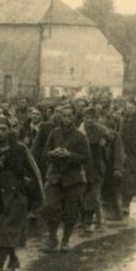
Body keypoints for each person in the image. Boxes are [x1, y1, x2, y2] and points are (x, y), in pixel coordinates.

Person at [0, 116, 43, 271]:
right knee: (1, 233)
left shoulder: (20, 149)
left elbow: (34, 173)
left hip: (16, 197)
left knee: (5, 230)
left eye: (4, 129)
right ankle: (13, 259)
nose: (0, 132)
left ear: (9, 130)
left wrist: (37, 197)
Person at [40, 105, 91, 253]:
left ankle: (65, 240)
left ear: (74, 117)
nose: (66, 119)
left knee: (71, 212)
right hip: (55, 177)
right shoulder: (54, 133)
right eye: (64, 116)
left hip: (73, 179)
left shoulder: (80, 136)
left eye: (69, 116)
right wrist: (53, 153)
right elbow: (45, 153)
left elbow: (86, 158)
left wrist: (69, 155)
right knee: (49, 207)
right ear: (60, 117)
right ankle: (52, 238)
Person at [81, 108, 111, 233]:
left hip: (97, 167)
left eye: (92, 118)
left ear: (95, 119)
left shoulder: (101, 131)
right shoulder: (80, 131)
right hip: (83, 168)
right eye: (87, 117)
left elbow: (107, 141)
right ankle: (91, 220)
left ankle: (94, 221)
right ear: (83, 118)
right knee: (85, 195)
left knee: (94, 195)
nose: (89, 121)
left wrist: (104, 142)